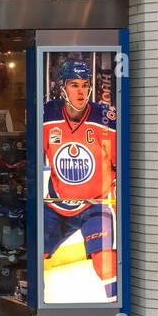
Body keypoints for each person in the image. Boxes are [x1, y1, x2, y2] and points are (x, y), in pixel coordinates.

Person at [43, 58, 118, 297]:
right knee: (31, 254)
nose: (81, 91)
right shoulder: (47, 114)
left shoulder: (104, 117)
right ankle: (31, 307)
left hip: (95, 203)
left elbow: (120, 161)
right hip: (56, 204)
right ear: (62, 87)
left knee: (105, 263)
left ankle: (115, 315)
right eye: (74, 85)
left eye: (85, 85)